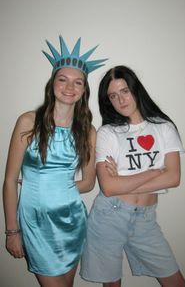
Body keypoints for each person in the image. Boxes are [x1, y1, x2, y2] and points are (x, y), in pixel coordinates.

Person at [2, 36, 107, 287]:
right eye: (63, 79)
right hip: (35, 221)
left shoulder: (88, 131)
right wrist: (12, 231)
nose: (70, 87)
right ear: (52, 84)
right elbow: (8, 182)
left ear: (84, 90)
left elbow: (89, 182)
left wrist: (51, 186)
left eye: (77, 82)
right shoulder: (28, 122)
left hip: (72, 220)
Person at [80, 65, 185, 287]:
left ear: (136, 90)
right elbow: (108, 188)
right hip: (109, 215)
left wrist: (122, 181)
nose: (120, 100)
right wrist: (153, 172)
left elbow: (173, 178)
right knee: (112, 284)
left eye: (125, 91)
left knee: (176, 282)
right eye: (113, 96)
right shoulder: (107, 133)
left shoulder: (164, 128)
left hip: (145, 219)